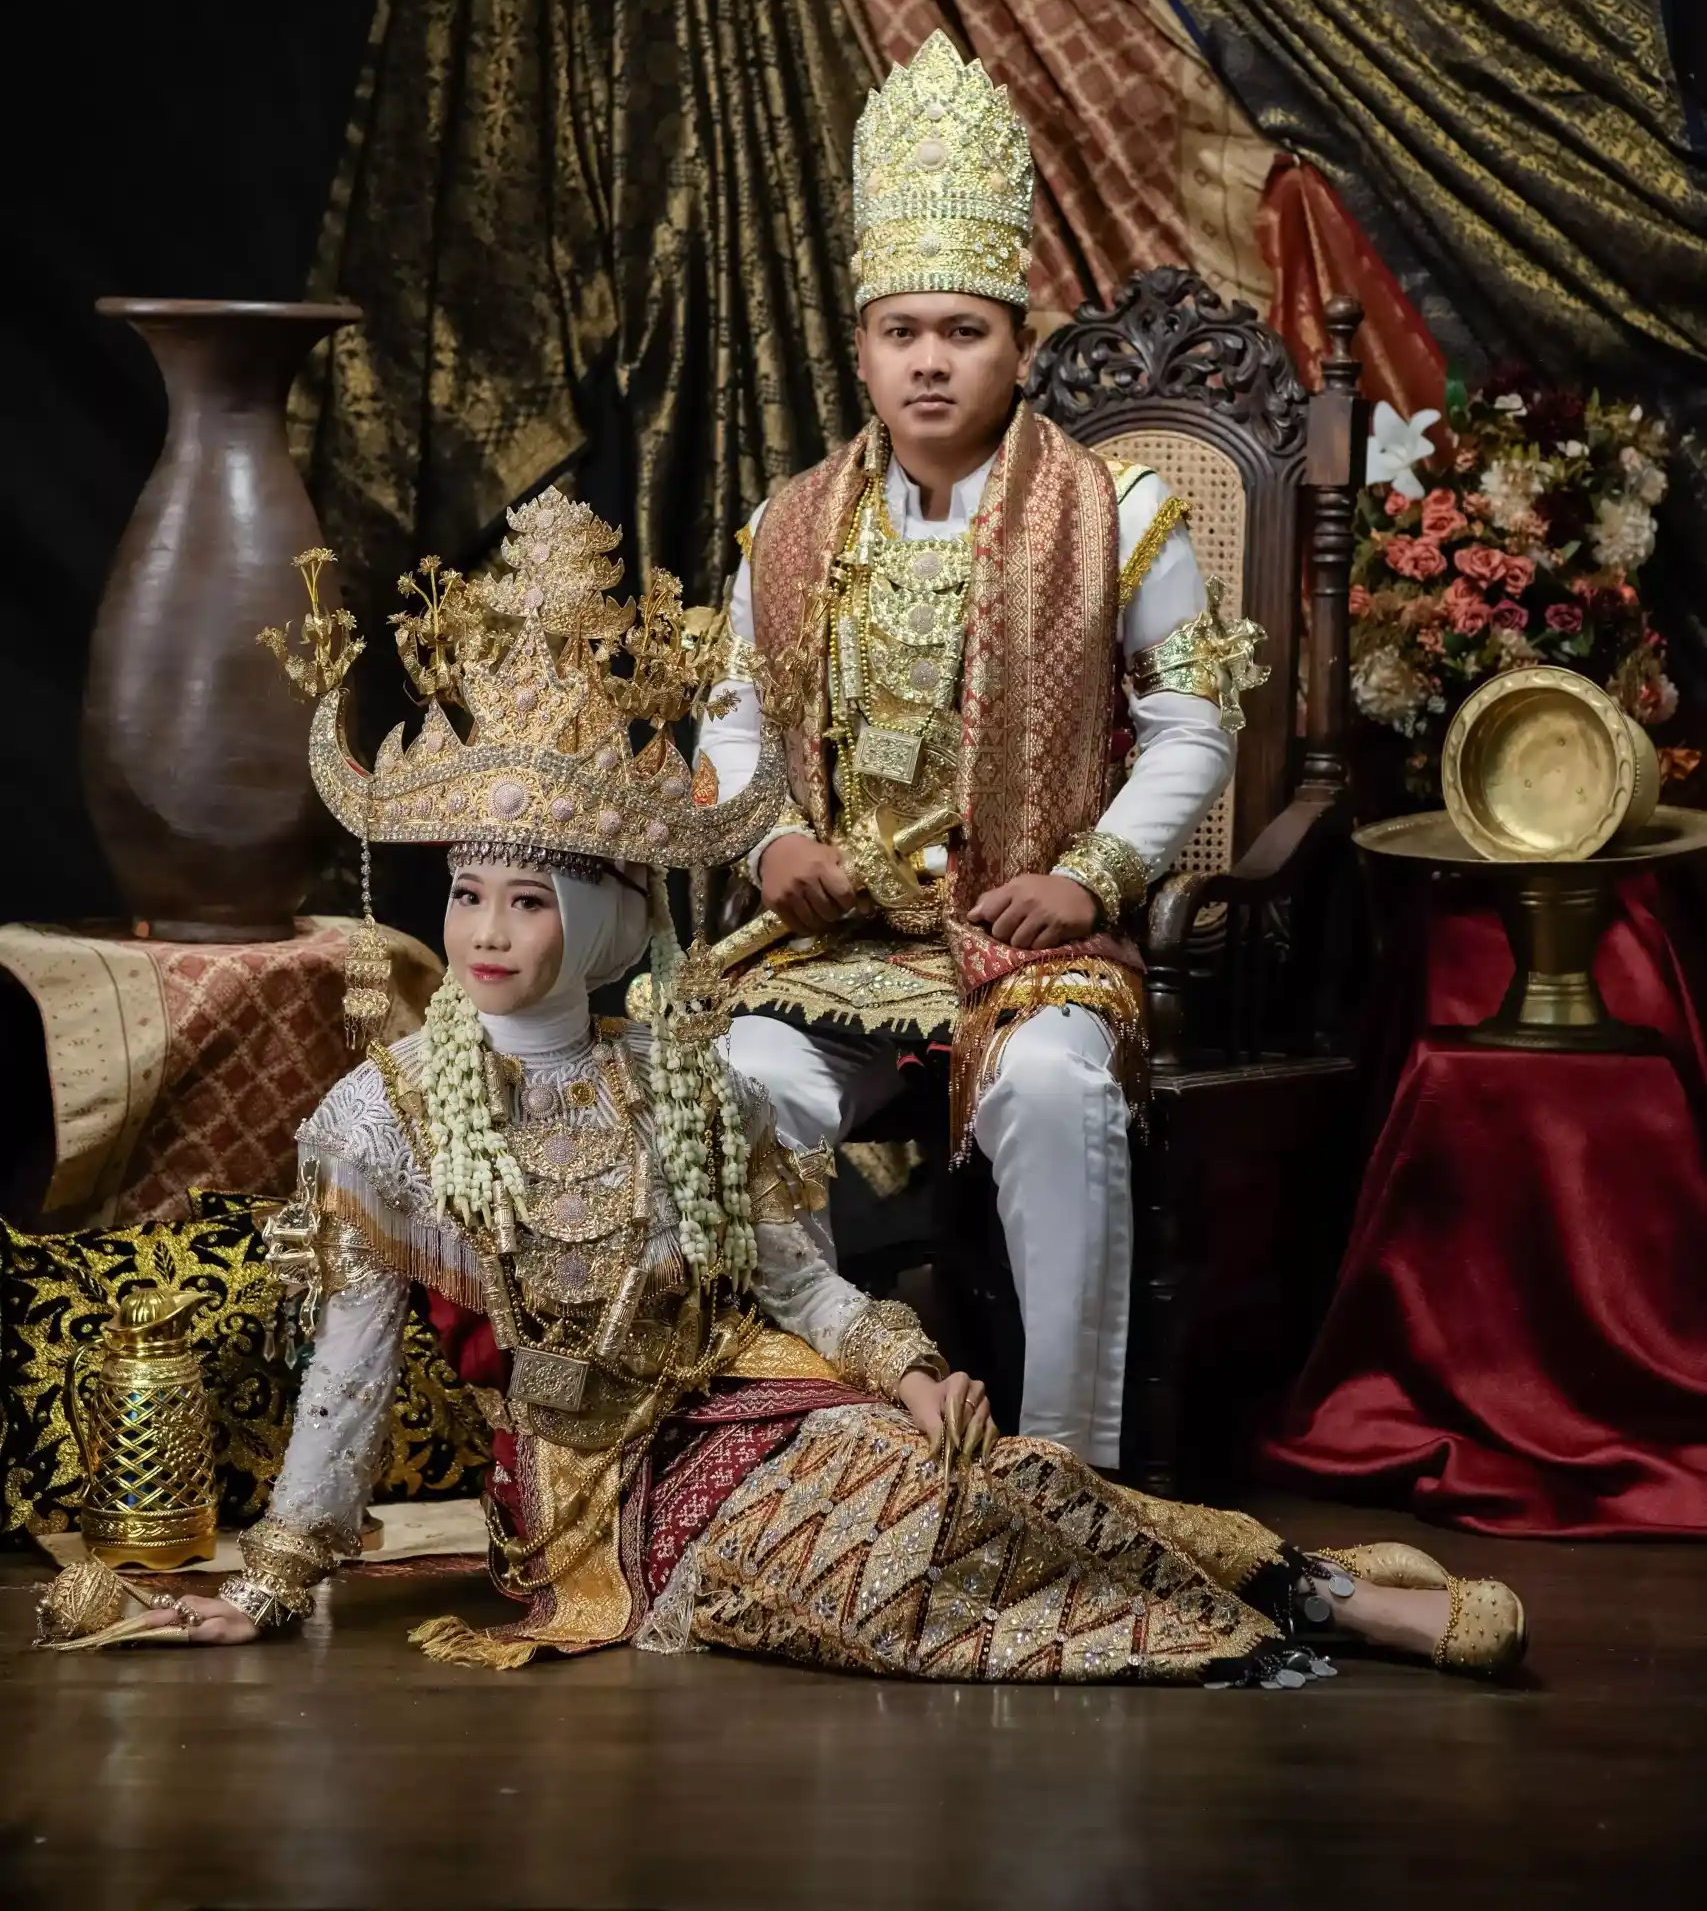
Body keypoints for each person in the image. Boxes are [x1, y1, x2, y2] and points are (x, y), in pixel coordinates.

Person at [113, 489, 1521, 1684]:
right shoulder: (383, 1115)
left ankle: (1316, 1591)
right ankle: (1286, 1613)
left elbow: (797, 1283)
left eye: (529, 901)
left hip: (764, 1396)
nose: (485, 934)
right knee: (907, 1561)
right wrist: (274, 1579)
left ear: (602, 922)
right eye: (468, 892)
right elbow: (349, 1370)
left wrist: (911, 1371)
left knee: (980, 1476)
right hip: (607, 1504)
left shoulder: (679, 1078)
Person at [699, 30, 1264, 1467]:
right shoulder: (786, 525)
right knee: (733, 1088)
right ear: (861, 349)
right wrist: (773, 843)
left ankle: (1066, 1467)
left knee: (1058, 1088)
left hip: (1030, 938)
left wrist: (1093, 876)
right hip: (837, 946)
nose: (930, 362)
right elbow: (732, 724)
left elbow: (1195, 722)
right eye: (902, 333)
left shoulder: (1116, 510)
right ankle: (815, 1440)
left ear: (1018, 343)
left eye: (962, 331)